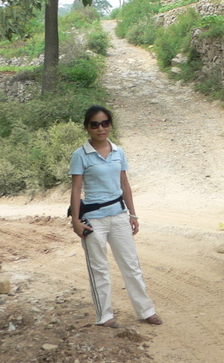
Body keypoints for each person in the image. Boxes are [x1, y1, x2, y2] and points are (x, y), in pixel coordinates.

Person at [69, 105, 162, 328]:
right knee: (99, 268)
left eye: (105, 123)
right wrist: (75, 221)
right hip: (93, 219)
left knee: (131, 265)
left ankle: (146, 311)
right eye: (95, 124)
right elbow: (75, 189)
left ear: (110, 125)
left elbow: (125, 184)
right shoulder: (80, 155)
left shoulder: (118, 152)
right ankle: (105, 316)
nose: (101, 128)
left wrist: (133, 214)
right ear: (87, 128)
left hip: (119, 215)